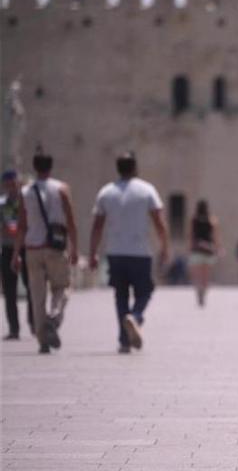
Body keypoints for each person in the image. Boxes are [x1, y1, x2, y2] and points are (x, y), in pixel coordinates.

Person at [88, 152, 169, 354]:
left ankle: (124, 341)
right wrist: (165, 246)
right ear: (135, 167)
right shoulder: (147, 190)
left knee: (120, 295)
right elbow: (159, 222)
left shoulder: (106, 192)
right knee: (145, 292)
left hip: (115, 253)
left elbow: (97, 226)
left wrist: (92, 253)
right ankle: (136, 316)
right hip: (140, 252)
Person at [13, 151, 78, 354]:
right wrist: (74, 247)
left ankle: (42, 340)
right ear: (51, 166)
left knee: (37, 295)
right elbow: (70, 220)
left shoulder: (25, 192)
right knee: (63, 287)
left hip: (32, 249)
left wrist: (16, 253)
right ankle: (54, 315)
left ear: (35, 166)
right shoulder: (62, 189)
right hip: (55, 247)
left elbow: (21, 225)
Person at [1, 170, 33, 340]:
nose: (11, 188)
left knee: (32, 287)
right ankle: (14, 328)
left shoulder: (27, 202)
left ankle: (34, 322)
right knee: (9, 291)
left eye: (13, 184)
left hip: (26, 248)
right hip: (7, 248)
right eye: (7, 185)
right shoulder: (1, 204)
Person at [189, 199, 220, 307]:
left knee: (197, 275)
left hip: (197, 249)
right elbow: (215, 237)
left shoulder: (194, 219)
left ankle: (199, 292)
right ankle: (204, 294)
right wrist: (217, 248)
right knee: (206, 276)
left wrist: (190, 248)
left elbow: (191, 235)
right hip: (208, 250)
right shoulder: (212, 219)